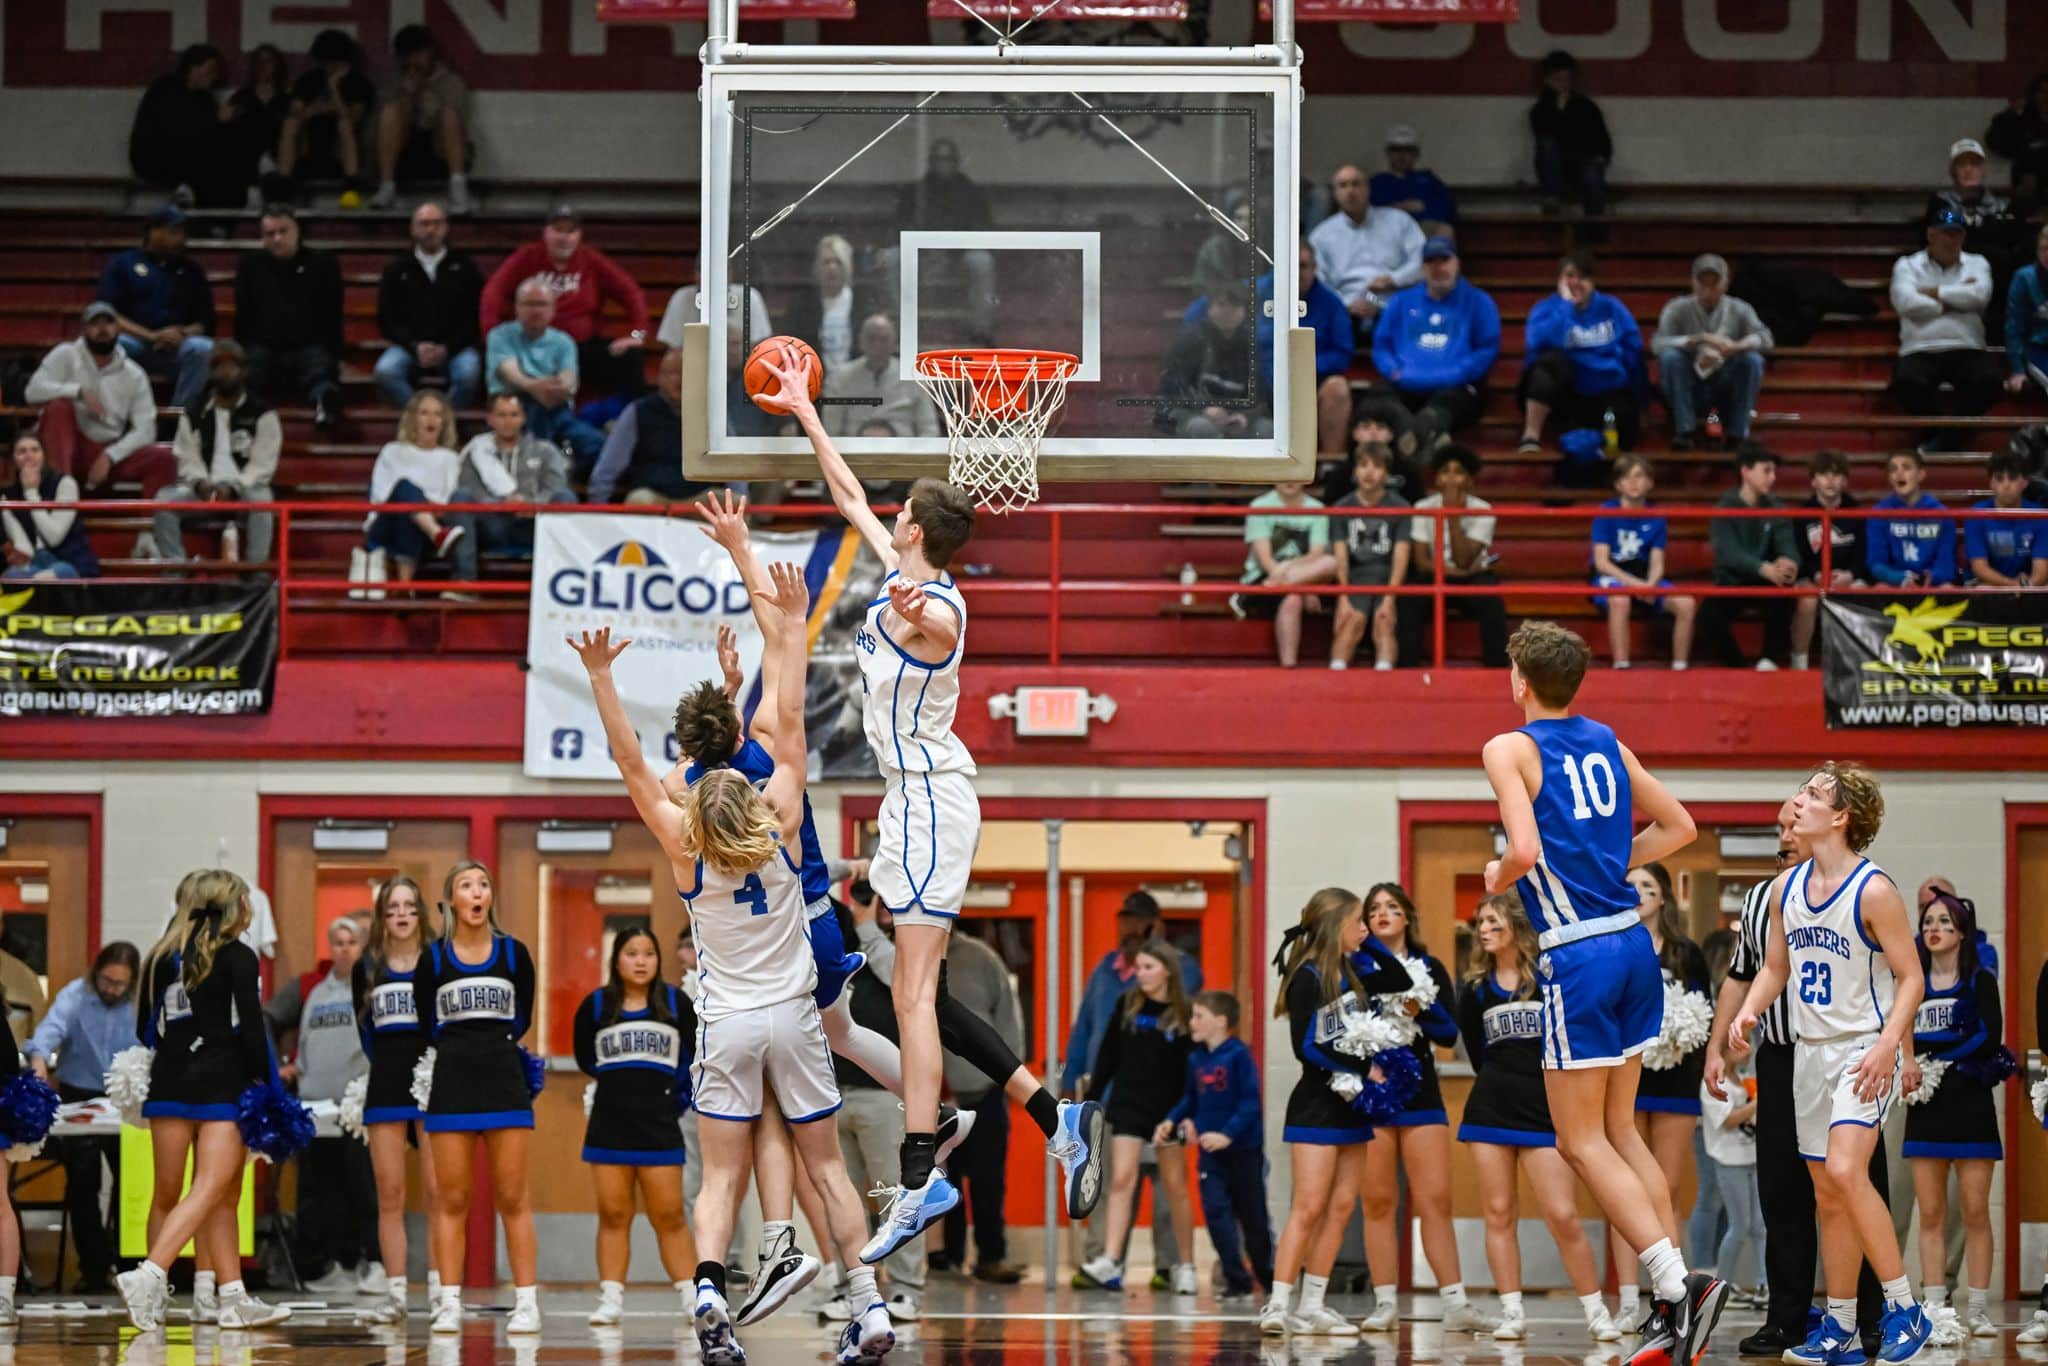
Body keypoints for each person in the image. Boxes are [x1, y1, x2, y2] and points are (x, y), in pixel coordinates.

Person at [757, 343, 1110, 1263]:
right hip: (917, 801)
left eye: (898, 514)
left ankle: (921, 1175)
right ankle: (1052, 1113)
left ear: (915, 528)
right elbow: (844, 495)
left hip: (926, 796)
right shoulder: (905, 568)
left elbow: (945, 627)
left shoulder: (939, 604)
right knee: (925, 995)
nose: (889, 518)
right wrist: (803, 409)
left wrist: (923, 605)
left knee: (907, 995)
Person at [568, 569, 902, 1366]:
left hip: (726, 1022)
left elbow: (626, 762)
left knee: (720, 1181)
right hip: (792, 1015)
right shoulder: (782, 814)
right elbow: (787, 719)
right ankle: (871, 1305)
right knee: (826, 1169)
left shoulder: (682, 841)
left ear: (689, 780)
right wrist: (786, 631)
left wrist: (602, 677)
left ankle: (711, 1290)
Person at [1480, 621, 1724, 1366]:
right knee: (1620, 1131)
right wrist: (1616, 861)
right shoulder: (1608, 740)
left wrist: (1497, 878)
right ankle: (1676, 1292)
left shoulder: (1508, 748)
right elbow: (1680, 826)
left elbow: (1522, 851)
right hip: (1631, 944)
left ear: (1519, 679)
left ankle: (1677, 1289)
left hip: (1578, 954)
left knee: (1578, 1140)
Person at [1729, 763, 1934, 1366]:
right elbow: (1774, 968)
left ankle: (1903, 1305)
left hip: (1862, 1049)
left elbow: (1911, 977)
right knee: (1828, 1192)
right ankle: (1841, 1325)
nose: (1799, 799)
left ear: (1841, 817)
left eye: (1815, 794)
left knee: (1846, 1171)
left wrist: (1888, 1045)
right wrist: (1748, 1011)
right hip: (1808, 1056)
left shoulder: (1873, 889)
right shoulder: (1785, 890)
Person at [1707, 800, 1890, 1361]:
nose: (1783, 835)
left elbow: (1897, 976)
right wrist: (1717, 1048)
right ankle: (1787, 1317)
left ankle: (1872, 1315)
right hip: (1783, 1055)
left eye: (1793, 824)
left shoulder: (1866, 888)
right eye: (1779, 827)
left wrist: (1898, 1049)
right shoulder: (1766, 898)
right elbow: (1743, 975)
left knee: (1855, 1183)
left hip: (1851, 1054)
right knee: (1782, 1191)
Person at [118, 869, 292, 1332]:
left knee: (171, 1193)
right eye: (244, 901)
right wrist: (264, 1085)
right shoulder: (238, 956)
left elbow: (143, 1029)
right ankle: (149, 1275)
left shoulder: (159, 956)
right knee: (216, 1187)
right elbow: (254, 1030)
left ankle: (228, 1299)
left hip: (169, 1082)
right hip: (221, 1082)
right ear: (231, 906)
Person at [1457, 894, 1625, 1346]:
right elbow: (1476, 1053)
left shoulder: (1549, 978)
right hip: (1490, 1108)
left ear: (1515, 924)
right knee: (1497, 1212)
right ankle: (1511, 1312)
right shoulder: (1474, 989)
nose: (1484, 928)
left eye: (1492, 920)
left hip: (1543, 1110)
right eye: (1480, 922)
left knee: (1563, 1214)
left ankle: (1595, 1312)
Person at [1257, 888, 1413, 1337]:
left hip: (1353, 1105)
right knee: (1308, 1206)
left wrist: (1371, 944)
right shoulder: (1307, 977)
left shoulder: (1357, 970)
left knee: (1343, 1207)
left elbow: (1399, 978)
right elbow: (1306, 1048)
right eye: (1358, 921)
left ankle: (1312, 1306)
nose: (1367, 927)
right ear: (1334, 926)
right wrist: (1369, 1069)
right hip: (1315, 1105)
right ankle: (1278, 1303)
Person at [413, 861, 542, 1336]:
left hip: (504, 1080)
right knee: (452, 1198)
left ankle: (526, 1301)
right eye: (466, 885)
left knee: (512, 1195)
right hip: (452, 1082)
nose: (476, 892)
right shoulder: (434, 959)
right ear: (450, 900)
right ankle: (448, 1301)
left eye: (483, 884)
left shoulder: (513, 954)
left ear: (490, 897)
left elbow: (522, 1014)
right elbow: (427, 1019)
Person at [1061, 890, 1199, 1282]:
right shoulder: (1109, 978)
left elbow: (1192, 1045)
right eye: (1125, 919)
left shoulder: (1183, 979)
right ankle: (1108, 1260)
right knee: (1113, 1181)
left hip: (1168, 1105)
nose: (1130, 927)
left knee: (1169, 1192)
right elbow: (1090, 1033)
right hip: (1121, 1100)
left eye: (1140, 920)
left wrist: (1159, 946)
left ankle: (1174, 1265)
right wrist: (1076, 1087)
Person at [1354, 883, 1467, 1335]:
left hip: (1421, 1096)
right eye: (1374, 909)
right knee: (1378, 1201)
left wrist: (1417, 1007)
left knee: (1435, 1199)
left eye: (1392, 908)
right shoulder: (1354, 968)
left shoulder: (1429, 966)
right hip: (1373, 1094)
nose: (1383, 914)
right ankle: (1384, 1303)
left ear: (1407, 918)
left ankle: (1455, 1302)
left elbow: (1447, 1033)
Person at [574, 924, 698, 1326]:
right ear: (616, 959)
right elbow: (585, 1058)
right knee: (612, 1214)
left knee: (670, 1216)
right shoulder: (596, 1006)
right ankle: (611, 1299)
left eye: (648, 953)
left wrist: (674, 1097)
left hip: (660, 1127)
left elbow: (694, 1059)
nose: (641, 961)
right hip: (610, 1125)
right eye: (631, 953)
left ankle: (692, 1298)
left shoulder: (677, 1005)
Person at [1611, 862, 1710, 1331]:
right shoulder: (1609, 949)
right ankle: (1628, 1298)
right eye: (1631, 886)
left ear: (1665, 899)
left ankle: (1667, 1297)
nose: (1639, 894)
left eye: (1648, 887)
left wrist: (1676, 1039)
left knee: (1665, 1187)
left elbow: (1703, 1015)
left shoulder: (1686, 953)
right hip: (1622, 1077)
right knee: (1620, 1187)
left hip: (1673, 1079)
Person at [1904, 892, 2001, 1338]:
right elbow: (1903, 1037)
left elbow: (1988, 1038)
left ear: (1961, 931)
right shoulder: (1913, 983)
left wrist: (1935, 1056)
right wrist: (1925, 1058)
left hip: (1970, 1108)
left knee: (1976, 1210)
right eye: (1927, 922)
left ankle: (1977, 1309)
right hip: (1926, 1109)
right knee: (1931, 1212)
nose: (1933, 928)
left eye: (1943, 921)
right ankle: (1935, 1306)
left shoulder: (1980, 981)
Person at [267, 914, 377, 1295]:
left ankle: (358, 1261)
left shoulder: (371, 990)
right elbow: (279, 1025)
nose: (345, 949)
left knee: (358, 1188)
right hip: (315, 1108)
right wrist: (283, 1067)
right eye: (338, 942)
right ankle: (318, 1267)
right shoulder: (313, 991)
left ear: (363, 947)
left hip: (357, 1110)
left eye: (352, 942)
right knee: (316, 1190)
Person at [351, 876, 443, 1324]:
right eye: (392, 908)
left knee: (438, 1193)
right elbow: (366, 1033)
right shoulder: (367, 967)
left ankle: (444, 1291)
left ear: (420, 912)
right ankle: (396, 1295)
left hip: (431, 1085)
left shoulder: (439, 960)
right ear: (382, 917)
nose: (402, 915)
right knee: (389, 1194)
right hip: (385, 1085)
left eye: (409, 906)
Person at [25, 941, 139, 1293]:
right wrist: (39, 1063)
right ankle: (93, 1271)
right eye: (106, 981)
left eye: (119, 984)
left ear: (132, 982)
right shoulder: (76, 994)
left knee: (131, 1183)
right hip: (79, 1094)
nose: (111, 990)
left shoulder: (140, 1002)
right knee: (83, 1184)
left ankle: (130, 1267)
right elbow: (46, 1035)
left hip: (125, 1096)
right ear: (96, 972)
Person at [1159, 990, 1271, 1301]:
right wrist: (1171, 1119)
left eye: (1198, 1016)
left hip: (1243, 1152)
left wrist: (1227, 1135)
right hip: (1211, 1157)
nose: (1192, 1022)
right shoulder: (1196, 1059)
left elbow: (1250, 1104)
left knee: (1254, 1220)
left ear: (1220, 1022)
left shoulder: (1239, 1055)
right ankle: (1237, 1280)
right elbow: (1191, 1099)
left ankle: (1269, 1277)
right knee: (1216, 1213)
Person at [480, 204, 650, 398]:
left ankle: (628, 420)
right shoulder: (527, 256)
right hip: (535, 347)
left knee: (630, 356)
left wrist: (637, 335)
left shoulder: (591, 260)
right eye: (558, 230)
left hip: (582, 348)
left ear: (579, 235)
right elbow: (493, 292)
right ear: (545, 233)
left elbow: (632, 293)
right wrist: (491, 335)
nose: (564, 237)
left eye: (571, 231)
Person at [939, 926, 1025, 1284]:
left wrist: (1008, 1075)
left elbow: (1009, 1020)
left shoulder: (981, 958)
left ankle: (991, 1256)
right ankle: (947, 1258)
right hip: (931, 1095)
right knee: (944, 1182)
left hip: (985, 1091)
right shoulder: (904, 956)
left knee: (989, 1180)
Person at [153, 341, 280, 566]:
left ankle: (255, 572)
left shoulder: (263, 413)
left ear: (244, 371)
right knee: (164, 501)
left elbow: (263, 464)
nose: (226, 372)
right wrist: (201, 483)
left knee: (263, 500)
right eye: (220, 367)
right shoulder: (193, 412)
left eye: (232, 366)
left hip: (244, 490)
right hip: (205, 489)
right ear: (211, 372)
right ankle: (176, 570)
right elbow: (187, 456)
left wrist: (234, 487)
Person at [1371, 237, 1499, 454]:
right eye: (1431, 262)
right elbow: (1381, 345)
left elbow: (1487, 347)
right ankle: (1420, 433)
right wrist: (1393, 370)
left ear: (1456, 263)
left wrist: (1460, 372)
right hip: (1405, 382)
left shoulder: (1479, 301)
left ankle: (1417, 433)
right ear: (1422, 268)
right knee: (1375, 400)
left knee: (1452, 403)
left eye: (1444, 260)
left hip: (1455, 386)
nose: (1438, 268)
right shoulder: (1401, 301)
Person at [1890, 207, 2001, 454]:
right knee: (1906, 382)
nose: (1952, 240)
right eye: (1945, 234)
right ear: (1931, 235)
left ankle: (1943, 442)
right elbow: (1906, 303)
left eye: (1957, 234)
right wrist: (1957, 298)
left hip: (1967, 346)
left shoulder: (1977, 263)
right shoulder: (1907, 265)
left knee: (1990, 380)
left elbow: (1980, 297)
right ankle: (1942, 438)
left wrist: (1933, 292)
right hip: (1919, 348)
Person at [1516, 250, 1643, 457]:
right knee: (1549, 364)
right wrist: (1566, 306)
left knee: (1625, 419)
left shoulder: (1612, 307)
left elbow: (1633, 347)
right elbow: (1538, 342)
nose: (1576, 282)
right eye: (1569, 276)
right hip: (1563, 392)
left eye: (1583, 277)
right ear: (1559, 280)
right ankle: (1531, 435)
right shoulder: (1547, 308)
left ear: (1593, 281)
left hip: (1603, 388)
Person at [25, 302, 162, 491]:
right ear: (83, 330)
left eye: (108, 323)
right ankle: (61, 496)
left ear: (118, 329)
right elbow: (32, 391)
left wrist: (110, 455)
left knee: (164, 458)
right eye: (95, 323)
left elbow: (146, 429)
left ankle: (154, 520)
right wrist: (78, 391)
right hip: (67, 446)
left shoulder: (134, 374)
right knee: (59, 407)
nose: (102, 329)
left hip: (108, 451)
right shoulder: (66, 354)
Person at [99, 204, 216, 412]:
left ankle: (178, 418)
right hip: (137, 343)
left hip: (177, 348)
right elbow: (109, 315)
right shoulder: (123, 263)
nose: (181, 239)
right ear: (153, 232)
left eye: (182, 233)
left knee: (203, 348)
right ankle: (120, 416)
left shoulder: (192, 270)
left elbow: (203, 321)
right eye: (174, 232)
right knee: (116, 345)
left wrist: (182, 333)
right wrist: (151, 335)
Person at [235, 206, 344, 429]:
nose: (277, 239)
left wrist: (333, 351)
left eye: (283, 231)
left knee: (320, 367)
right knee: (249, 367)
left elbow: (333, 314)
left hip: (309, 346)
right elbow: (243, 314)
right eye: (270, 234)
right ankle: (244, 414)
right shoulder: (250, 265)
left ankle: (325, 406)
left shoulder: (323, 264)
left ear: (297, 231)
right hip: (264, 347)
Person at [450, 391, 575, 582]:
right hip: (493, 524)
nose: (507, 421)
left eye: (513, 415)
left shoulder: (545, 450)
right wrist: (501, 504)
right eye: (501, 415)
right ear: (490, 419)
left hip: (534, 524)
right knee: (460, 497)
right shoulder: (475, 452)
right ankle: (464, 580)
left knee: (565, 497)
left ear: (523, 418)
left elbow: (556, 487)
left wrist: (530, 504)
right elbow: (470, 488)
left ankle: (561, 580)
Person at [1652, 254, 1772, 450]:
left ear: (1725, 285)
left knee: (1752, 359)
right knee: (1670, 357)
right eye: (1702, 285)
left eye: (1714, 285)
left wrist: (1736, 347)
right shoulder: (1676, 308)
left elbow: (1765, 338)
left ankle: (1738, 433)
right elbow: (1658, 343)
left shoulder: (1739, 309)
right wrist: (1696, 340)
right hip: (1689, 383)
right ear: (1693, 283)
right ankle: (1685, 430)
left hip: (1724, 382)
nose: (1707, 291)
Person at [486, 277, 605, 475]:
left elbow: (569, 380)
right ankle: (551, 467)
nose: (536, 310)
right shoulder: (500, 335)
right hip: (515, 409)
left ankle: (567, 469)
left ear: (553, 309)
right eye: (529, 304)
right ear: (517, 307)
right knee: (535, 421)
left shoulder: (563, 341)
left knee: (598, 444)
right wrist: (537, 388)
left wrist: (560, 388)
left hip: (557, 411)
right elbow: (510, 374)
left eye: (542, 304)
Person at [352, 390, 465, 595]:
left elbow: (449, 503)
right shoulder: (393, 451)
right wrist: (421, 503)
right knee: (405, 490)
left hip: (424, 531)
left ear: (444, 422)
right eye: (424, 413)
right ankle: (436, 535)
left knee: (412, 513)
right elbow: (380, 497)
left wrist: (421, 508)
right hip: (386, 525)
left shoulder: (450, 458)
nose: (431, 419)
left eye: (437, 414)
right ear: (413, 419)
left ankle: (404, 587)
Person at [1699, 444, 1801, 671]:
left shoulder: (1777, 507)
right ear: (1746, 471)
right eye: (1766, 471)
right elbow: (1728, 553)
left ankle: (1769, 661)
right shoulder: (1724, 507)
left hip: (1768, 580)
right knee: (1708, 616)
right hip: (1733, 580)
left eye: (1774, 472)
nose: (1772, 478)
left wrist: (1789, 563)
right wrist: (1762, 567)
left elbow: (1788, 546)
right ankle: (1739, 668)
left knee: (1786, 596)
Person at [1590, 455, 1697, 671]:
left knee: (1687, 603)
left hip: (1644, 576)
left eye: (1639, 477)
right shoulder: (1605, 512)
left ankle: (1680, 667)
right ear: (1618, 484)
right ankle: (1622, 665)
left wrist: (1649, 584)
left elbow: (1658, 562)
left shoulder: (1657, 516)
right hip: (1612, 577)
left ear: (1650, 483)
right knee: (1620, 600)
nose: (1633, 483)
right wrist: (1634, 584)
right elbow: (1602, 562)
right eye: (1627, 478)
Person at [882, 140, 995, 342]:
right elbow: (900, 226)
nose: (943, 164)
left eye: (948, 159)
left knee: (982, 261)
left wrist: (953, 248)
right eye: (938, 159)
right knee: (890, 258)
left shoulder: (970, 191)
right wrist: (924, 247)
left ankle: (980, 330)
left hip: (960, 256)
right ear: (930, 162)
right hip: (922, 255)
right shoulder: (915, 192)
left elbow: (983, 228)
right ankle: (900, 328)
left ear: (956, 162)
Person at [1407, 445, 1508, 668]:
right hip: (1436, 573)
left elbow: (1464, 559)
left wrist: (1451, 515)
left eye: (1459, 471)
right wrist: (1458, 573)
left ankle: (1497, 670)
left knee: (1491, 599)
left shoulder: (1483, 510)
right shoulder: (1422, 507)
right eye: (1445, 471)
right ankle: (1407, 670)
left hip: (1471, 575)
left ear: (1470, 481)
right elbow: (1422, 561)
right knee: (1409, 598)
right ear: (1436, 480)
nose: (1451, 478)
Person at [375, 203, 484, 410]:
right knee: (386, 372)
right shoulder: (397, 268)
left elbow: (475, 315)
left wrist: (448, 347)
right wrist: (414, 345)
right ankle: (420, 419)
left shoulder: (465, 266)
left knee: (469, 375)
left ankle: (443, 422)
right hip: (409, 347)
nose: (431, 229)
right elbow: (386, 319)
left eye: (436, 223)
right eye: (424, 224)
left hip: (455, 348)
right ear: (413, 228)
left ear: (446, 227)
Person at [1309, 165, 1425, 347]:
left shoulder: (1399, 221)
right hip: (1345, 309)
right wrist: (1347, 304)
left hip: (1394, 304)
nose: (1350, 191)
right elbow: (1318, 279)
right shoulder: (1321, 235)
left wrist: (1393, 279)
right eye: (1343, 185)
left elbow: (1422, 261)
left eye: (1356, 184)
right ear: (1335, 193)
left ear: (1368, 189)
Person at [590, 350, 722, 505]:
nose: (681, 379)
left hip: (700, 500)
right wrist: (599, 509)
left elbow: (734, 462)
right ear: (659, 378)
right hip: (654, 497)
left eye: (688, 372)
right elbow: (608, 468)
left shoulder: (712, 413)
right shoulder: (638, 412)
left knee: (735, 501)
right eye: (673, 373)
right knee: (638, 500)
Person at [368, 25, 471, 213]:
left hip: (440, 152)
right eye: (407, 56)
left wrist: (425, 90)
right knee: (391, 111)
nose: (413, 60)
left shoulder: (451, 82)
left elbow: (458, 123)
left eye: (418, 54)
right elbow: (384, 127)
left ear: (431, 52)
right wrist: (408, 94)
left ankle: (458, 188)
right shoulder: (394, 84)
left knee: (449, 113)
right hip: (403, 155)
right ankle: (386, 187)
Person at [1234, 479, 1335, 669]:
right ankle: (1289, 667)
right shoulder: (1260, 506)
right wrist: (1303, 589)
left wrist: (1291, 570)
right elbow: (1265, 561)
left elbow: (1316, 554)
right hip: (1263, 578)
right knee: (1294, 598)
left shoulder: (1317, 508)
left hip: (1295, 575)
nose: (1290, 481)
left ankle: (1289, 666)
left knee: (1330, 563)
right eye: (1285, 475)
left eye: (1295, 475)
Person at [1330, 444, 1412, 671]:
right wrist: (1343, 597)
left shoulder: (1401, 507)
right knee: (1351, 621)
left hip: (1389, 578)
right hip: (1356, 578)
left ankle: (1384, 678)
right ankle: (1336, 678)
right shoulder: (1341, 508)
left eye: (1377, 466)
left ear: (1387, 473)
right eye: (1363, 465)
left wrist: (1390, 598)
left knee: (1383, 623)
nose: (1369, 472)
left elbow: (1401, 556)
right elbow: (1340, 556)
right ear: (1355, 470)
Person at [1266, 245, 1353, 456]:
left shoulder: (1332, 304)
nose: (1297, 272)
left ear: (1314, 269)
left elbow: (1342, 353)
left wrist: (1304, 365)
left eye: (1303, 266)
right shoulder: (1257, 293)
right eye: (1291, 266)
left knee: (1337, 389)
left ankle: (1330, 465)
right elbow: (1220, 299)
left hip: (1311, 384)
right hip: (1264, 383)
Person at [128, 46, 241, 209]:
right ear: (194, 67)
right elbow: (174, 132)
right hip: (153, 156)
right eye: (211, 69)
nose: (214, 76)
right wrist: (215, 120)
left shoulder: (204, 99)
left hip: (185, 159)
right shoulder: (165, 89)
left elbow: (208, 138)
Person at [1158, 283, 1271, 440]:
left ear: (1244, 311)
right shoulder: (1190, 340)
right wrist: (1204, 409)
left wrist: (1245, 417)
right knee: (1203, 429)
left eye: (1235, 305)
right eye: (1221, 304)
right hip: (1188, 412)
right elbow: (1174, 388)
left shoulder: (1250, 345)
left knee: (1265, 429)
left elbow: (1260, 396)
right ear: (1210, 308)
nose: (1228, 311)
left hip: (1233, 417)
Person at [276, 30, 373, 200]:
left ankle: (352, 181)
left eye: (335, 62)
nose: (330, 67)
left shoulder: (359, 83)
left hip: (342, 149)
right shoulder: (308, 80)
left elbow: (353, 118)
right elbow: (296, 113)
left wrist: (334, 89)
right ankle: (283, 182)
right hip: (310, 144)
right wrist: (321, 109)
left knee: (344, 124)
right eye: (326, 62)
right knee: (290, 123)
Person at [824, 314, 939, 440]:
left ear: (894, 343)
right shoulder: (839, 378)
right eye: (871, 338)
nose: (877, 345)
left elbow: (929, 430)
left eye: (884, 339)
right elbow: (830, 432)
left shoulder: (913, 377)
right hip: (853, 455)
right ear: (861, 341)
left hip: (903, 454)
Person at [3, 432, 99, 581]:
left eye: (35, 450)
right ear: (14, 461)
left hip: (70, 563)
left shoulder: (65, 484)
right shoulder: (7, 496)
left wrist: (31, 492)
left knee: (52, 575)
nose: (29, 455)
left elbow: (54, 537)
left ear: (44, 456)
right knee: (12, 576)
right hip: (34, 564)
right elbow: (24, 548)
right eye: (22, 451)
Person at [780, 235, 880, 375]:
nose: (832, 268)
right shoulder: (801, 306)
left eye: (838, 262)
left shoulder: (862, 305)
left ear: (847, 268)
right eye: (826, 262)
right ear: (816, 268)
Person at [1529, 51, 1611, 217]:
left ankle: (1594, 231)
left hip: (1583, 161)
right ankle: (1552, 201)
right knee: (1547, 143)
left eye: (1566, 78)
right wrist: (1557, 105)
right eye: (1557, 79)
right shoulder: (1539, 110)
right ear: (1547, 80)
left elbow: (1603, 140)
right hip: (1554, 166)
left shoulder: (1586, 106)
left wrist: (1601, 157)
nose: (1563, 84)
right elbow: (1545, 136)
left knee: (1592, 175)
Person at [1866, 451, 1958, 589]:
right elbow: (1876, 563)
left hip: (1932, 582)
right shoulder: (1878, 513)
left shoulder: (1941, 514)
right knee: (1880, 588)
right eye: (1893, 469)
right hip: (1895, 582)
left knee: (1948, 588)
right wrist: (1902, 578)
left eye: (1906, 467)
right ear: (1889, 478)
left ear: (1921, 475)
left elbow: (1947, 564)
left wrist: (1931, 578)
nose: (1899, 473)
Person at [1966, 449, 2048, 589]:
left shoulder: (2040, 515)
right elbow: (1980, 568)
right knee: (1983, 588)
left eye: (2013, 478)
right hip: (1987, 583)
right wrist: (2012, 585)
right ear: (1991, 484)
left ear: (2025, 482)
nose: (2006, 485)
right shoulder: (1977, 514)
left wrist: (2027, 585)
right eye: (1999, 479)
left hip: (2026, 584)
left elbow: (2041, 572)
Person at [226, 45, 290, 207]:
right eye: (259, 61)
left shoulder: (286, 99)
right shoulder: (241, 97)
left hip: (278, 156)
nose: (263, 66)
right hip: (247, 157)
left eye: (268, 61)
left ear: (277, 66)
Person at [1370, 124, 1455, 236]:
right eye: (1397, 150)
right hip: (1386, 234)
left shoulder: (1429, 180)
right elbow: (1366, 214)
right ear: (1388, 153)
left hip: (1422, 231)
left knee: (1444, 229)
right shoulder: (1376, 183)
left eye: (1407, 151)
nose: (1402, 156)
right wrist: (1398, 208)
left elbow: (1447, 209)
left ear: (1416, 155)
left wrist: (1420, 210)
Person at [1986, 73, 2048, 209]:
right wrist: (2010, 113)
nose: (2046, 97)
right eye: (2042, 92)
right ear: (2034, 95)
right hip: (2028, 189)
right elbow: (1995, 141)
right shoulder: (2023, 121)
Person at [2004, 225, 2048, 394]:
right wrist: (2018, 369)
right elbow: (2013, 325)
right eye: (2044, 248)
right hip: (2037, 348)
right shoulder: (2024, 277)